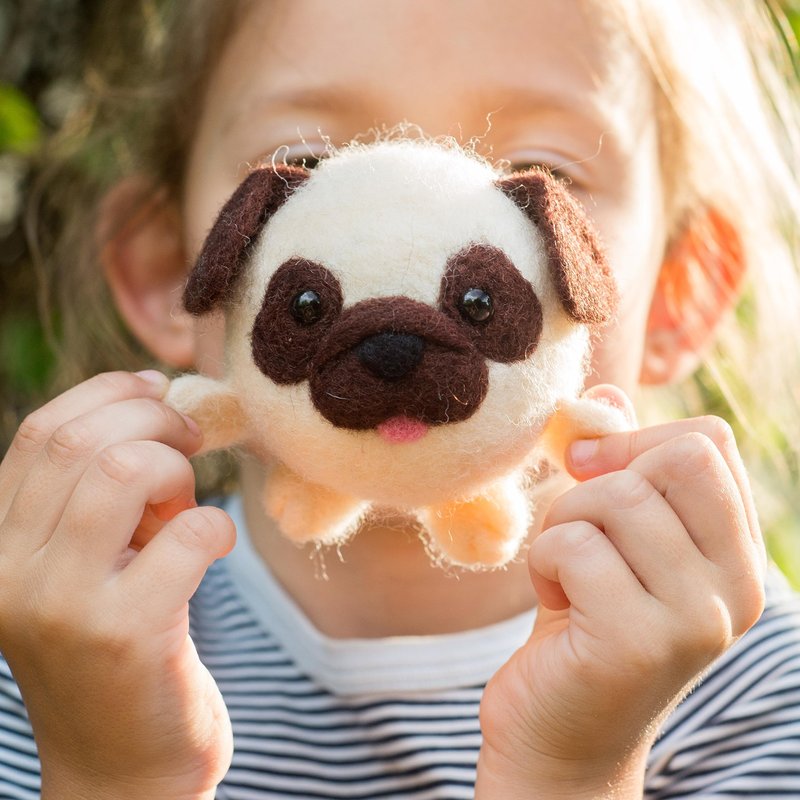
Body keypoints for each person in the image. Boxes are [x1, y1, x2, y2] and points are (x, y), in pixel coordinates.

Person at [1, 1, 800, 798]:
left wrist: (574, 771)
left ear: (679, 292)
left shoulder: (744, 686)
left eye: (546, 168)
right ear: (170, 268)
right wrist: (112, 770)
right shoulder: (54, 656)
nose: (406, 231)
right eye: (309, 161)